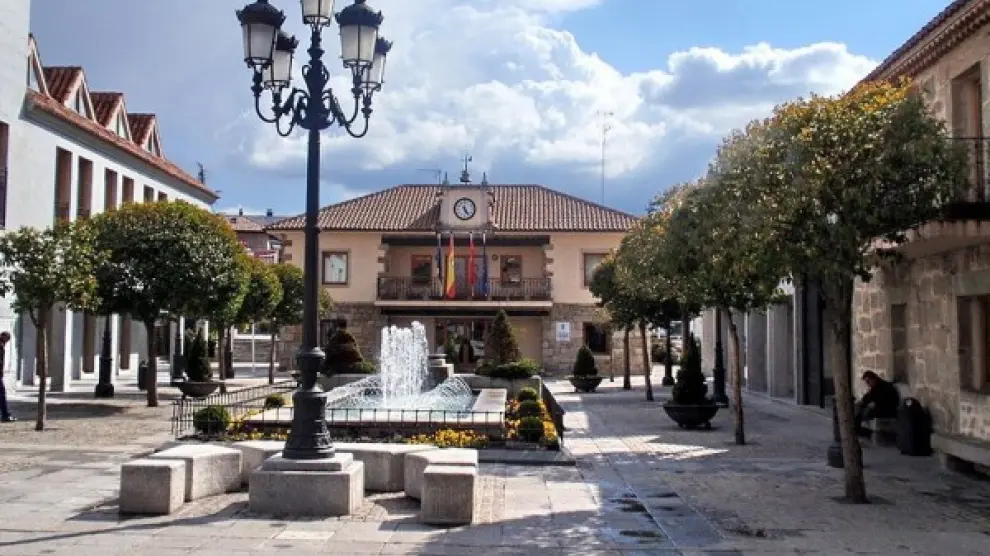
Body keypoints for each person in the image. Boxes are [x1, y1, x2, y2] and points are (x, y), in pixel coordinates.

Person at [854, 370, 899, 436]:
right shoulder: (875, 387)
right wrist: (863, 402)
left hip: (887, 410)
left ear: (874, 379)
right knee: (859, 408)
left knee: (863, 412)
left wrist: (873, 404)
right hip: (880, 408)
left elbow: (883, 400)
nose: (867, 384)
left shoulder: (885, 386)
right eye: (866, 382)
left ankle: (859, 430)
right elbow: (867, 398)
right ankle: (857, 428)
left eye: (868, 381)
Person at [0, 331, 15, 423]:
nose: (7, 341)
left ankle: (5, 414)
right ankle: (5, 415)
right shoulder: (0, 346)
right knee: (2, 394)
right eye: (7, 339)